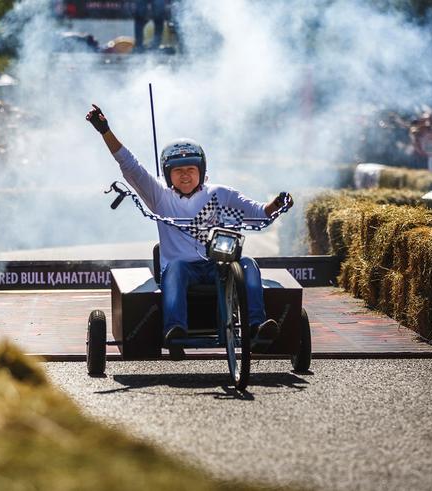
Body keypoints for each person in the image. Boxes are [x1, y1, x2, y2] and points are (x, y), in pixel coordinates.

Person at [85, 103, 289, 358]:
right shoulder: (159, 197)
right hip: (181, 269)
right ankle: (175, 330)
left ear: (201, 171)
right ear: (168, 175)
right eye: (178, 171)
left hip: (220, 264)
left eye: (191, 169)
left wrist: (277, 204)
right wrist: (105, 130)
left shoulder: (220, 194)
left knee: (248, 263)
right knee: (177, 267)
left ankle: (256, 326)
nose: (185, 176)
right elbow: (130, 165)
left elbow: (258, 213)